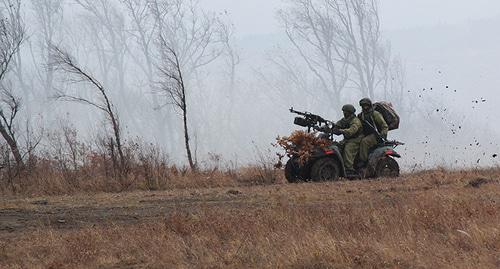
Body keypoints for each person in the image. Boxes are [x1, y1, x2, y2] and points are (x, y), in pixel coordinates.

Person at [331, 104, 363, 175]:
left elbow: (351, 131)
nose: (344, 113)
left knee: (348, 149)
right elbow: (337, 125)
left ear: (350, 112)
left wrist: (341, 131)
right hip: (347, 139)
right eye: (343, 111)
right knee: (336, 146)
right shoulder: (345, 120)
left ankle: (349, 169)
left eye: (345, 112)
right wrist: (330, 128)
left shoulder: (355, 121)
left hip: (356, 140)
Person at [358, 98, 388, 167]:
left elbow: (384, 126)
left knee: (364, 142)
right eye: (363, 105)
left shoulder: (375, 114)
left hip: (376, 135)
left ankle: (363, 161)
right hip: (365, 134)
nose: (364, 107)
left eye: (366, 105)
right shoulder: (361, 115)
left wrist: (382, 135)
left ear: (369, 105)